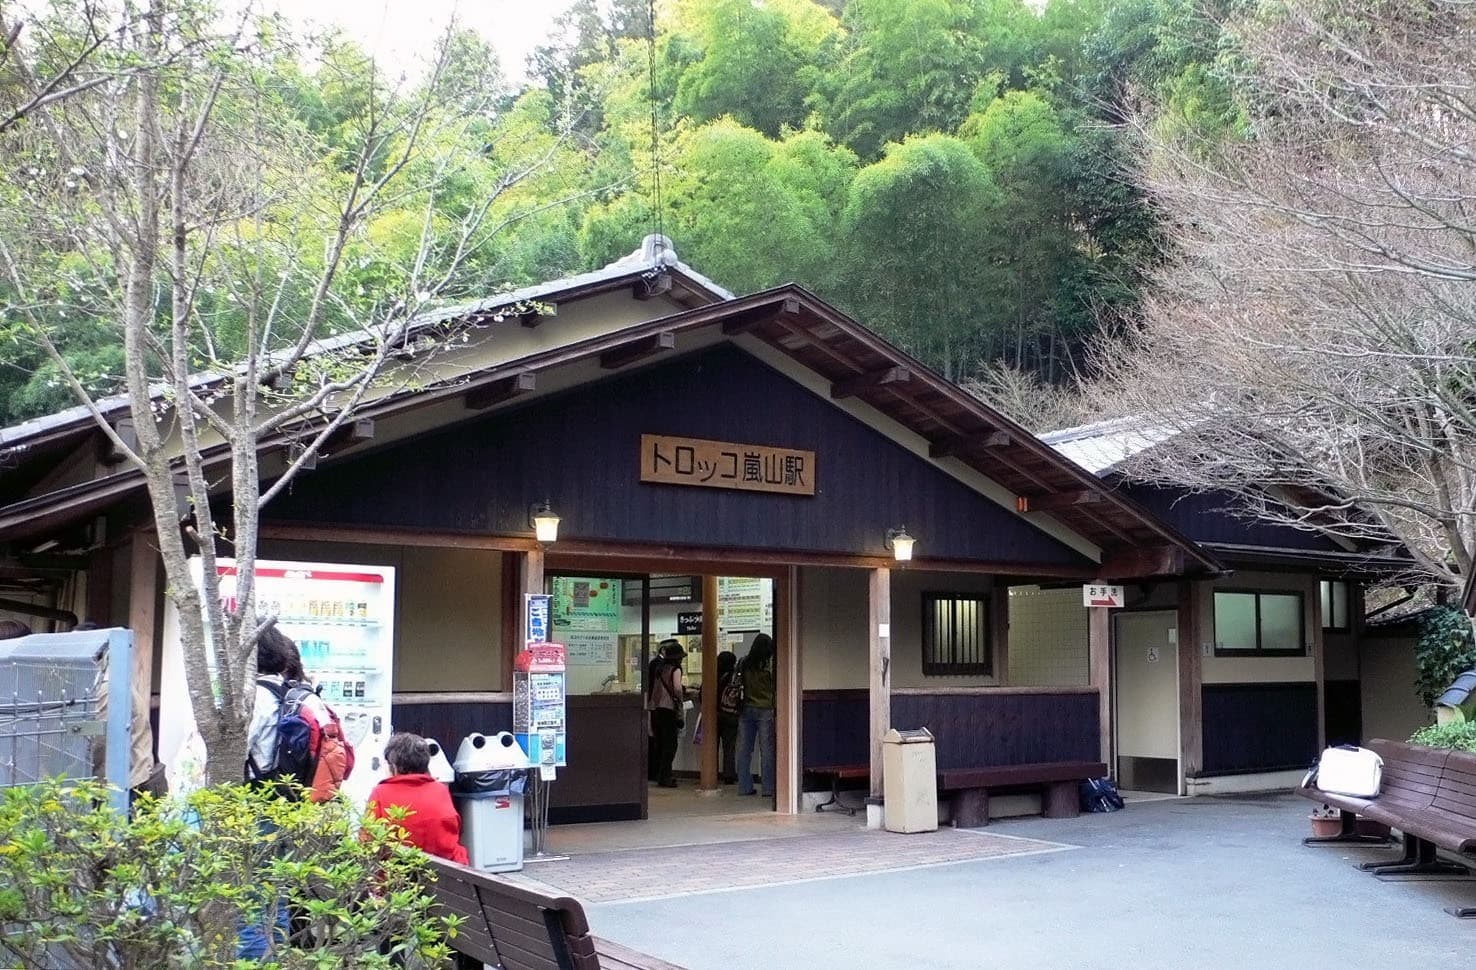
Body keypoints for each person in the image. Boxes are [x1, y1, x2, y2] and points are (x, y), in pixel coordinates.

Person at [367, 733, 468, 864]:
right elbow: (454, 832)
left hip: (397, 878)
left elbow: (367, 842)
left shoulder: (380, 793)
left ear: (394, 765)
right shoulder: (440, 790)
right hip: (446, 877)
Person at [735, 634, 776, 798]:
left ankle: (744, 786)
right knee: (766, 751)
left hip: (746, 709)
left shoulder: (744, 662)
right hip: (766, 709)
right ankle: (768, 788)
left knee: (744, 750)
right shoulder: (771, 663)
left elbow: (736, 683)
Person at [646, 639, 686, 789]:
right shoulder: (675, 670)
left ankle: (660, 775)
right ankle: (665, 776)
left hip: (655, 709)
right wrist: (680, 698)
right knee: (670, 744)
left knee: (660, 744)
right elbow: (677, 688)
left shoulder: (659, 668)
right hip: (668, 709)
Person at [715, 651, 740, 785]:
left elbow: (703, 693)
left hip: (714, 714)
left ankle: (711, 773)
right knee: (729, 746)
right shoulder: (734, 677)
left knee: (712, 745)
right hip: (730, 714)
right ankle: (729, 775)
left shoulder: (712, 674)